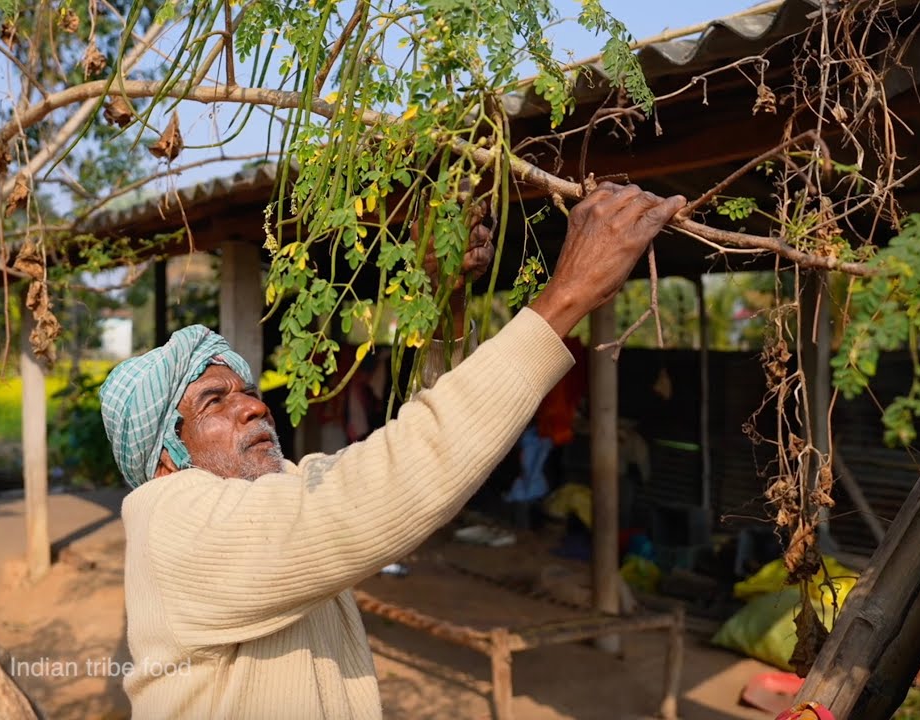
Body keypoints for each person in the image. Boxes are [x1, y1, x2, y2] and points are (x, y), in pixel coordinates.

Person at [98, 183, 686, 719]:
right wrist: (566, 297)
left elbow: (412, 453)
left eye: (249, 392)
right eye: (214, 403)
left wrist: (443, 300)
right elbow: (388, 483)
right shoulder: (172, 521)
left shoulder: (277, 497)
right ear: (167, 457)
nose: (253, 407)